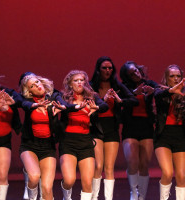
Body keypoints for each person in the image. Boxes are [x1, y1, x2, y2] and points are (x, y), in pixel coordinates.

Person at [89, 57, 137, 200]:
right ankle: (94, 197)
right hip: (96, 127)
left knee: (109, 167)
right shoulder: (91, 86)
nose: (108, 70)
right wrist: (102, 102)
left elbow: (133, 100)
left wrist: (120, 100)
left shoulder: (117, 85)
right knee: (98, 166)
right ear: (98, 69)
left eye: (110, 68)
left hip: (112, 127)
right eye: (104, 68)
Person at [59, 70, 108, 200]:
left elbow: (104, 106)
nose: (79, 82)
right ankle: (66, 197)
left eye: (82, 80)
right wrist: (75, 107)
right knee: (69, 180)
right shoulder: (63, 96)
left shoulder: (91, 96)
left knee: (87, 183)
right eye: (76, 80)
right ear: (70, 84)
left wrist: (96, 108)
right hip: (68, 142)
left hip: (85, 142)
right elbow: (64, 106)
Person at [19, 74, 67, 200]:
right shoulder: (28, 101)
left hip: (48, 147)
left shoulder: (53, 97)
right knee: (34, 177)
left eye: (37, 82)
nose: (37, 86)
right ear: (30, 91)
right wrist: (34, 106)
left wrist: (62, 107)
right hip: (29, 145)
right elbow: (23, 104)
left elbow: (63, 103)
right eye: (32, 86)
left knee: (46, 188)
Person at [154, 65, 185, 200]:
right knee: (167, 173)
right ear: (166, 78)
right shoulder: (160, 92)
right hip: (163, 137)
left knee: (181, 176)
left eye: (178, 76)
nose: (175, 78)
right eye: (172, 76)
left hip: (179, 137)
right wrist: (173, 91)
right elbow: (158, 94)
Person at [119, 61, 158, 200]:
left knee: (144, 163)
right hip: (131, 127)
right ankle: (133, 192)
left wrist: (155, 92)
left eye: (136, 70)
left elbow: (161, 91)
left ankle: (142, 195)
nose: (136, 74)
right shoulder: (124, 88)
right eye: (131, 73)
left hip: (146, 127)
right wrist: (134, 93)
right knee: (132, 161)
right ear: (127, 76)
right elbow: (121, 102)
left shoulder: (150, 84)